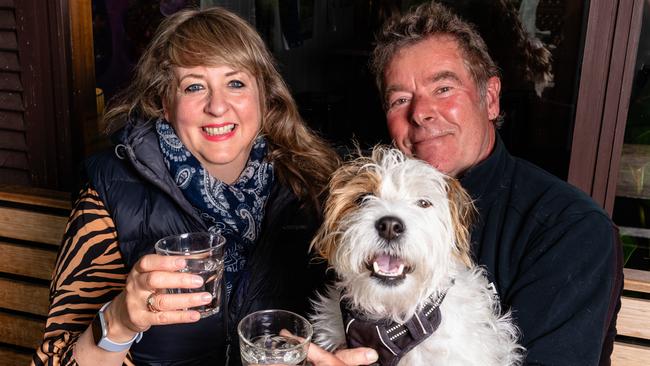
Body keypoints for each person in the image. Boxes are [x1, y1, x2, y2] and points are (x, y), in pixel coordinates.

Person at [31, 7, 357, 366]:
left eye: (235, 83)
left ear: (265, 97)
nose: (217, 106)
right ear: (164, 104)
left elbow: (358, 324)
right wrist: (120, 320)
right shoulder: (110, 188)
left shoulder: (318, 185)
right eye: (194, 86)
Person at [309, 1, 623, 365]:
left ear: (490, 98)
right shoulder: (364, 220)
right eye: (401, 99)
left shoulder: (571, 229)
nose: (421, 112)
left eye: (443, 88)